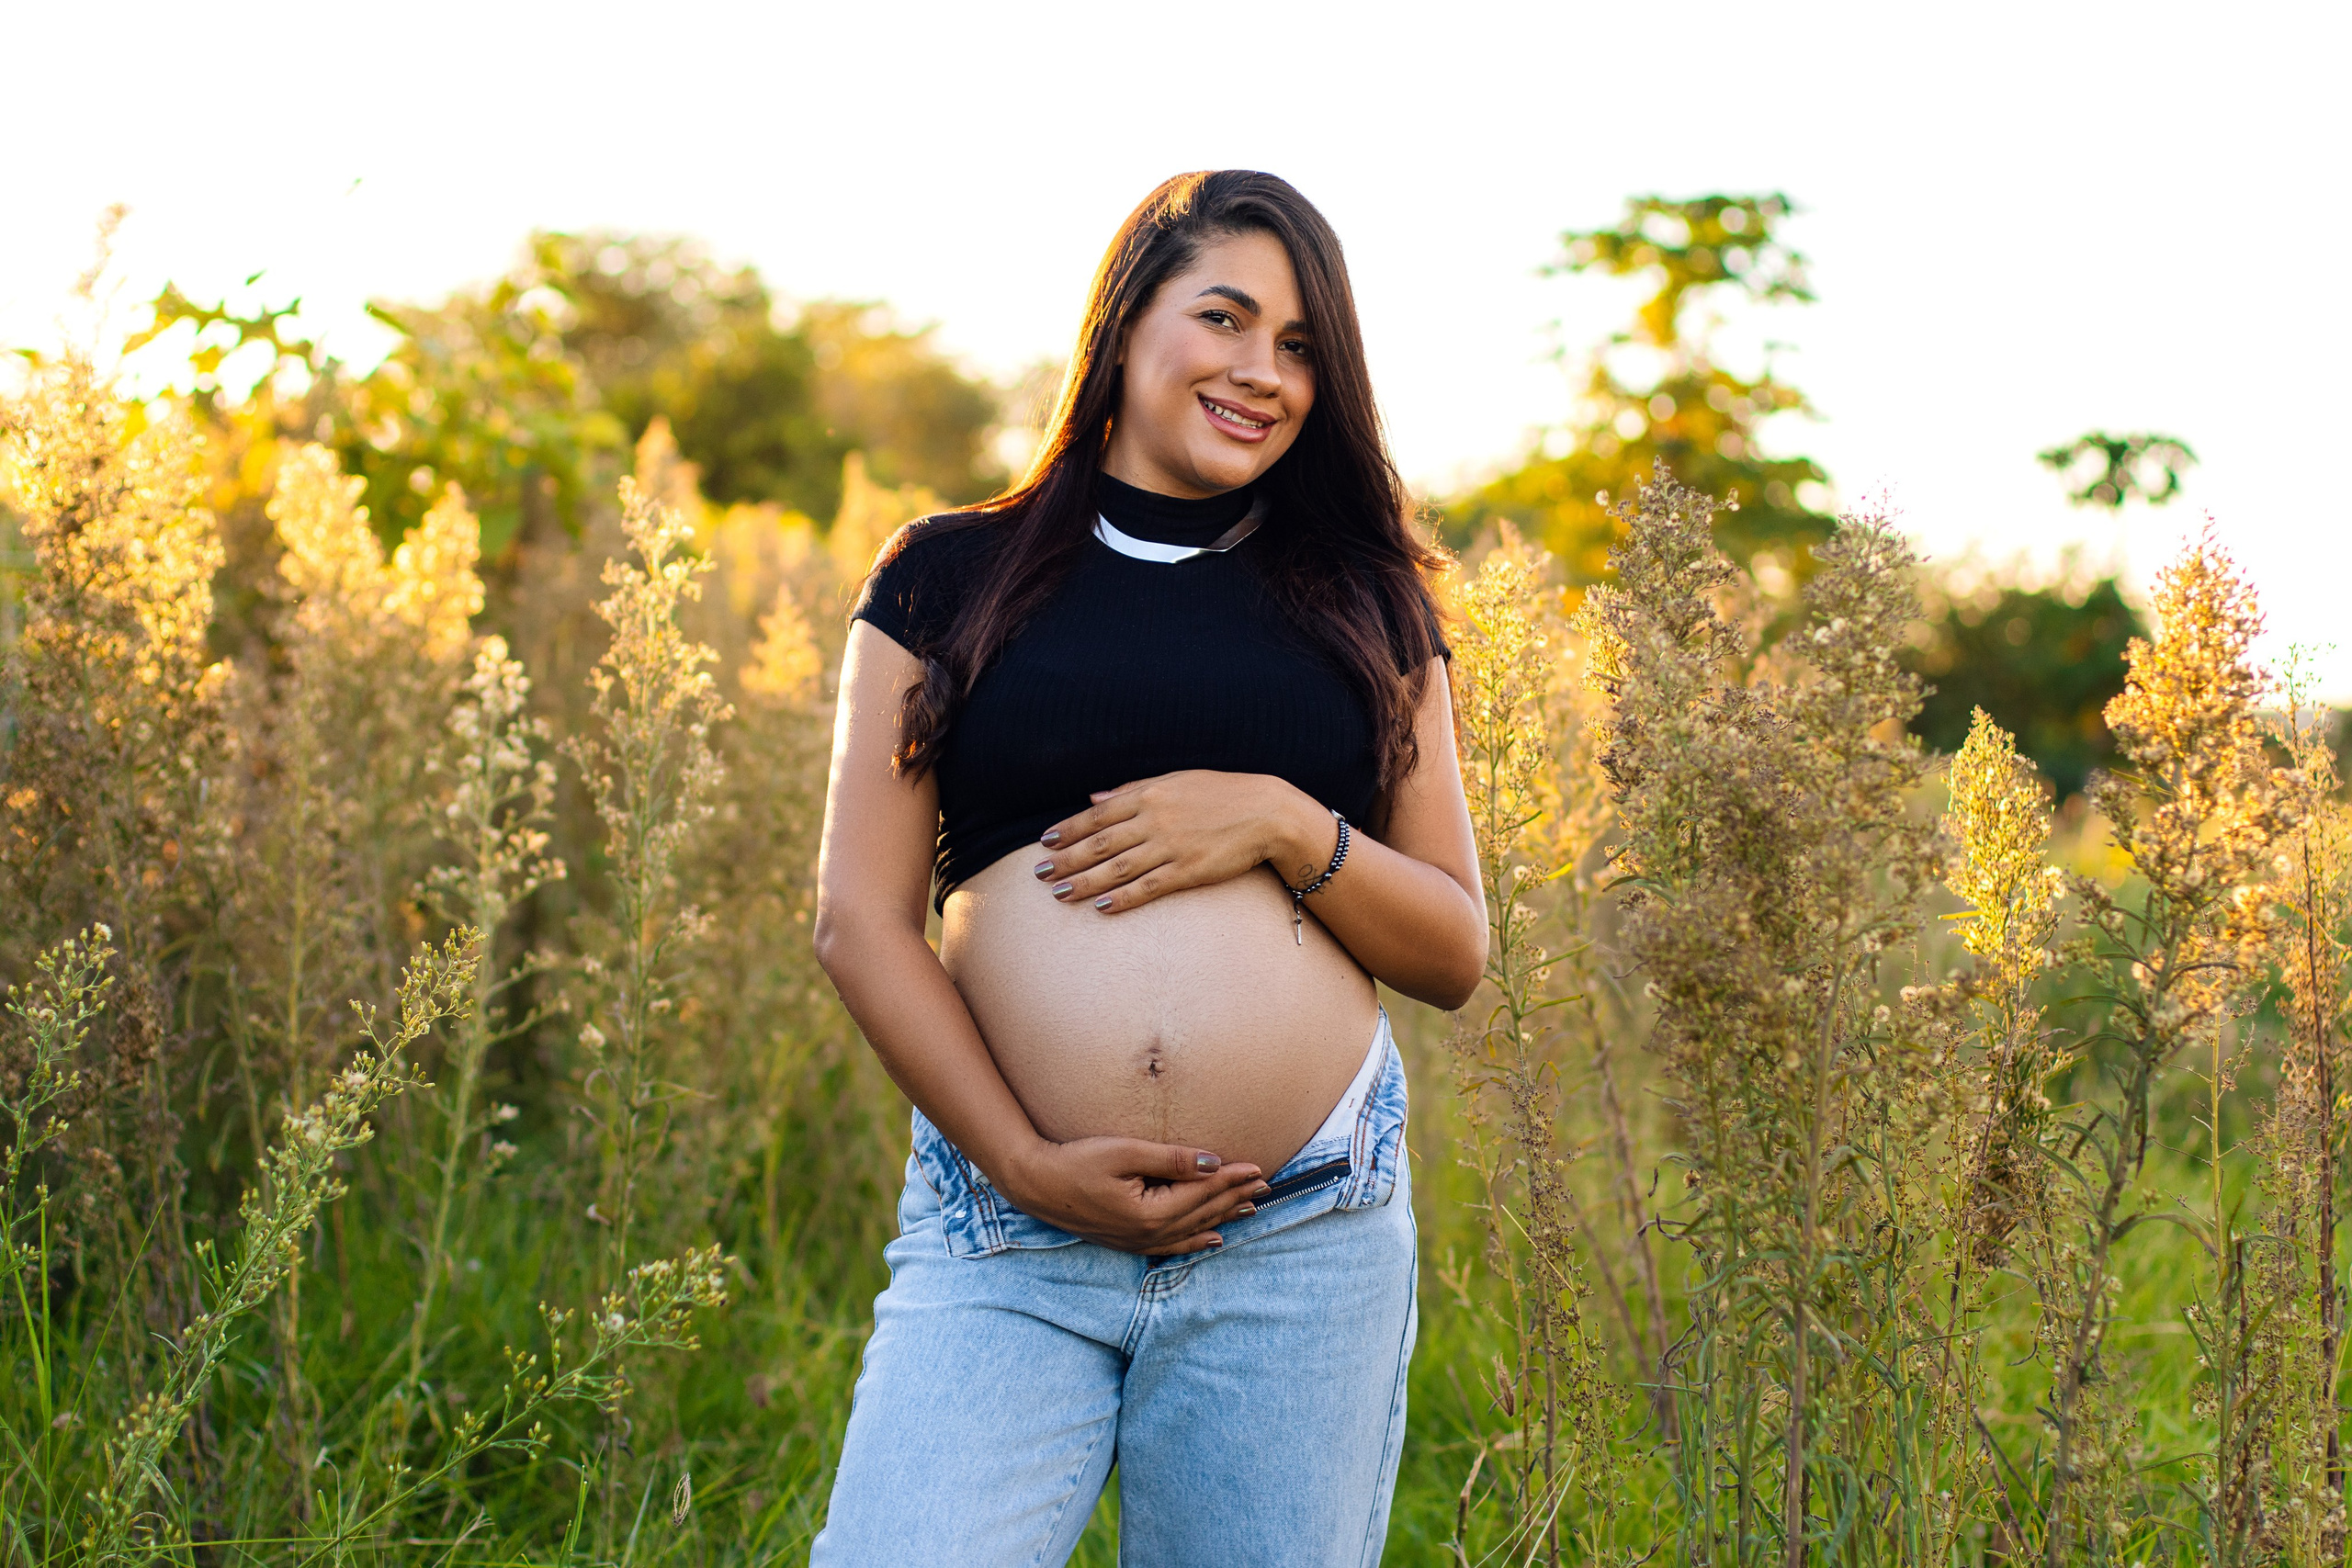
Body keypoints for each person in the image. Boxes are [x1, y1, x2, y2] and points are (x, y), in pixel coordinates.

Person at [809, 169, 1486, 1566]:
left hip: (1296, 1235)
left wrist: (1285, 825)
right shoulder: (949, 576)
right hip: (1010, 1230)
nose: (1262, 372)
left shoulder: (1368, 604)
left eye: (1302, 348)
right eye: (1226, 319)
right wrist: (1023, 1161)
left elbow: (1452, 949)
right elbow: (858, 923)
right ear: (1126, 324)